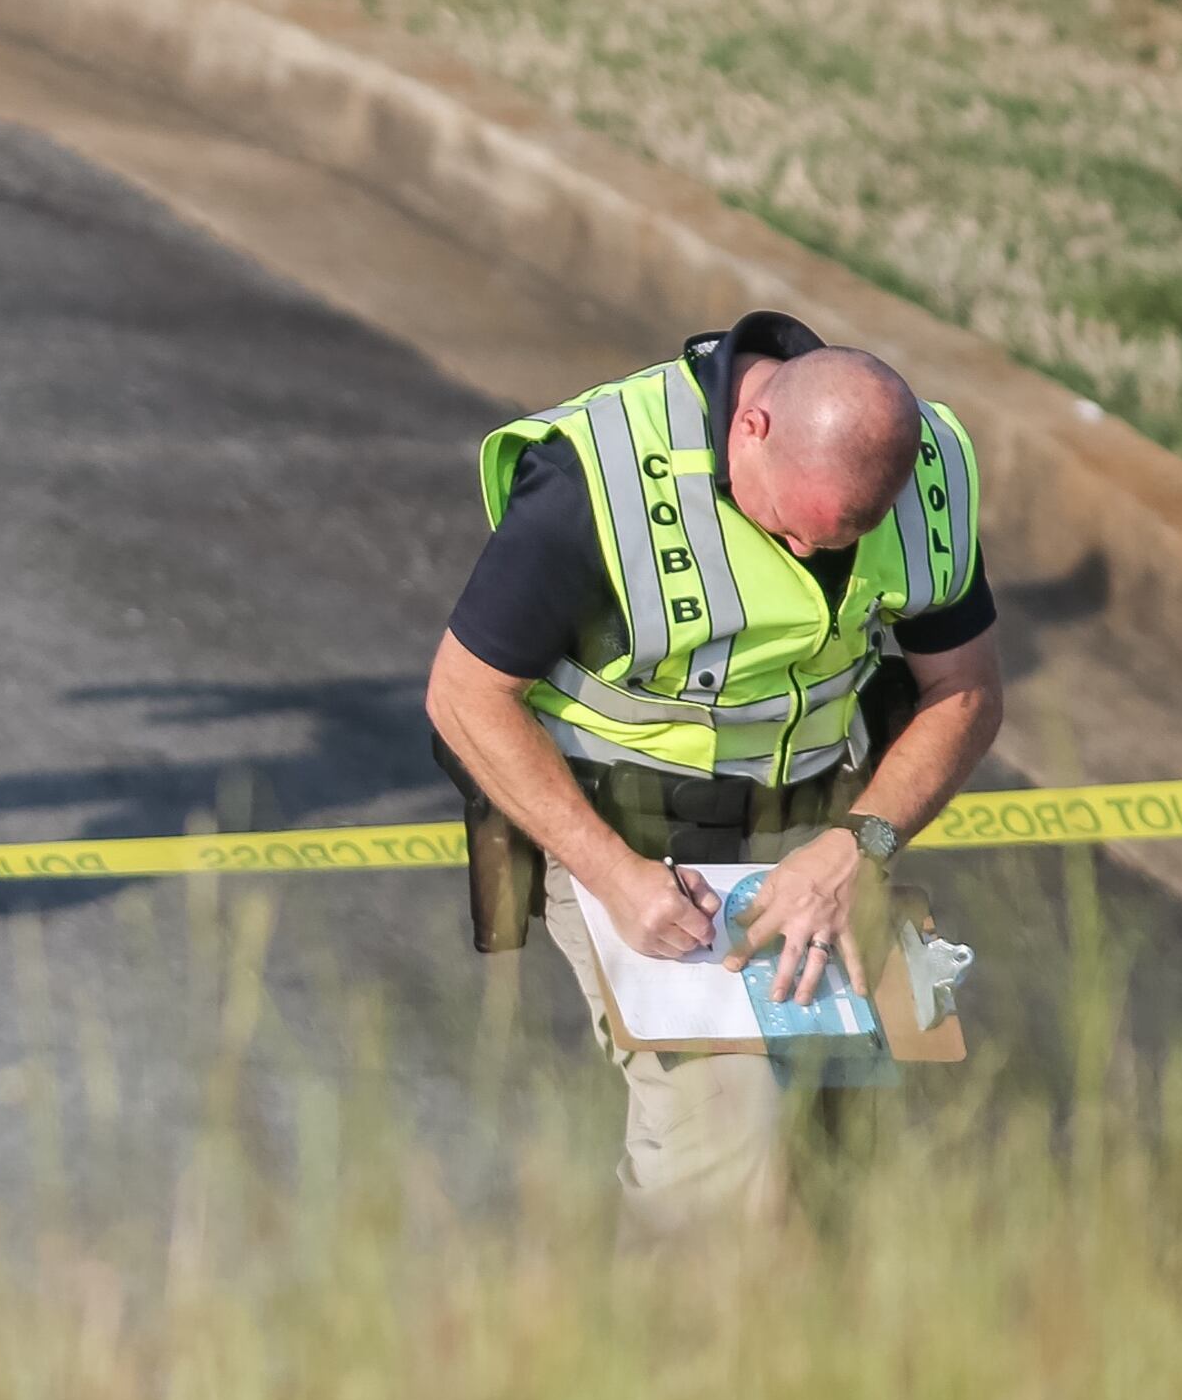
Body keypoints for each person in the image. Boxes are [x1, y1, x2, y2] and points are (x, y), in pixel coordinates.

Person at [424, 312, 1004, 1237]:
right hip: (626, 833)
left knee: (833, 1152)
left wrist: (862, 844)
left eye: (842, 538)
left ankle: (799, 1371)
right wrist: (613, 877)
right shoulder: (596, 481)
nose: (813, 556)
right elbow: (464, 696)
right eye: (795, 529)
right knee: (722, 1139)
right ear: (752, 428)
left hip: (817, 840)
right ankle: (680, 1373)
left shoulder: (927, 472)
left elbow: (964, 689)